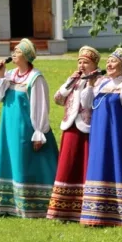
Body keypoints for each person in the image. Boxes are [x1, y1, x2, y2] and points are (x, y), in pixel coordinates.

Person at [0, 39, 59, 218]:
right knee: (8, 160)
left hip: (26, 129)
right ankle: (5, 204)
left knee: (24, 162)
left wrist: (39, 132)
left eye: (17, 51)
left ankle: (34, 204)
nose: (13, 54)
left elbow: (40, 106)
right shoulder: (10, 75)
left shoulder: (35, 78)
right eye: (13, 51)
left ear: (27, 56)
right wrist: (0, 75)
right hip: (8, 127)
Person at [80, 47, 122, 228]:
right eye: (108, 61)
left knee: (117, 168)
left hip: (118, 136)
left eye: (113, 61)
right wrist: (90, 84)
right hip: (100, 135)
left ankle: (121, 215)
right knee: (100, 167)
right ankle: (95, 214)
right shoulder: (101, 84)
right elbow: (86, 103)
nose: (109, 64)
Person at [46, 46, 100, 222]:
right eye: (80, 62)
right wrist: (70, 82)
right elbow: (58, 99)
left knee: (83, 164)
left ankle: (84, 205)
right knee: (67, 164)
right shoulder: (74, 80)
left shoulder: (100, 80)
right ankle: (63, 207)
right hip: (70, 126)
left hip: (87, 128)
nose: (82, 65)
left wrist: (90, 83)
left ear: (94, 65)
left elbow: (88, 103)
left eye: (86, 62)